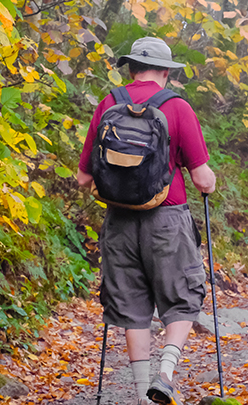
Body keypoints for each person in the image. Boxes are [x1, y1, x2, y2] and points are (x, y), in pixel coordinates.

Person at [77, 37, 217, 405]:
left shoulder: (109, 103)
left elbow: (83, 178)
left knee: (131, 307)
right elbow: (202, 179)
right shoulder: (176, 107)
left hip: (119, 223)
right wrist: (209, 180)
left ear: (131, 67)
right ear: (166, 72)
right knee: (183, 298)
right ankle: (166, 374)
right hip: (167, 221)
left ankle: (142, 396)